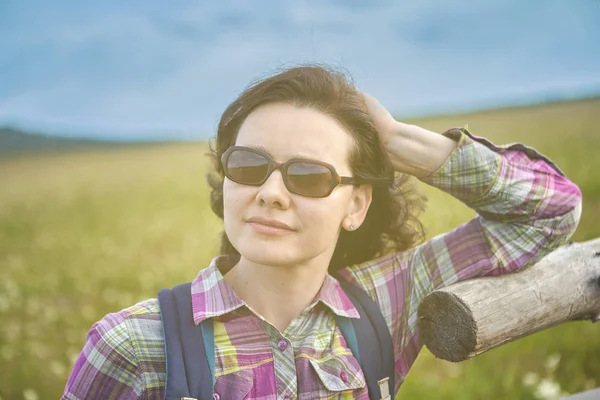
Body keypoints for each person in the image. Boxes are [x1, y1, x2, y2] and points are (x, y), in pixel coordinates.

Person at [62, 65, 582, 399]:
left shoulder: (386, 302)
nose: (269, 192)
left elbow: (551, 212)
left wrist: (402, 143)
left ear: (356, 204)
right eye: (247, 165)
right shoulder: (134, 345)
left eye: (308, 175)